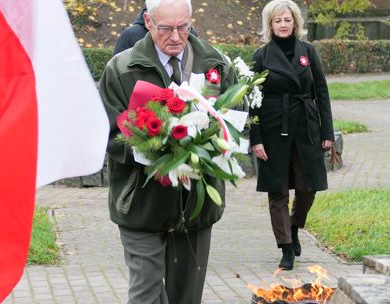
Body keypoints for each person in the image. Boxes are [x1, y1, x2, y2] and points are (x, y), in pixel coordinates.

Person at [99, 0, 235, 302]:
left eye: (183, 27)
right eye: (165, 28)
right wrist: (157, 150)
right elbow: (107, 134)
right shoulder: (121, 69)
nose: (175, 36)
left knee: (185, 298)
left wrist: (210, 146)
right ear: (148, 22)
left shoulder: (215, 65)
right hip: (141, 205)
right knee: (146, 294)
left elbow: (237, 123)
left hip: (195, 208)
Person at [249, 0, 334, 271]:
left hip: (306, 125)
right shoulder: (261, 56)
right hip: (274, 127)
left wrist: (327, 132)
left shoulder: (308, 51)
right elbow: (253, 102)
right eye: (277, 20)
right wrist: (256, 138)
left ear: (295, 22)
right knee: (278, 189)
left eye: (287, 19)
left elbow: (321, 92)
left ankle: (295, 225)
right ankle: (286, 247)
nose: (283, 24)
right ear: (270, 24)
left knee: (309, 186)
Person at [113, 7, 197, 55]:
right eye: (165, 28)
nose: (175, 38)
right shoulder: (130, 35)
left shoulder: (190, 34)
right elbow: (115, 77)